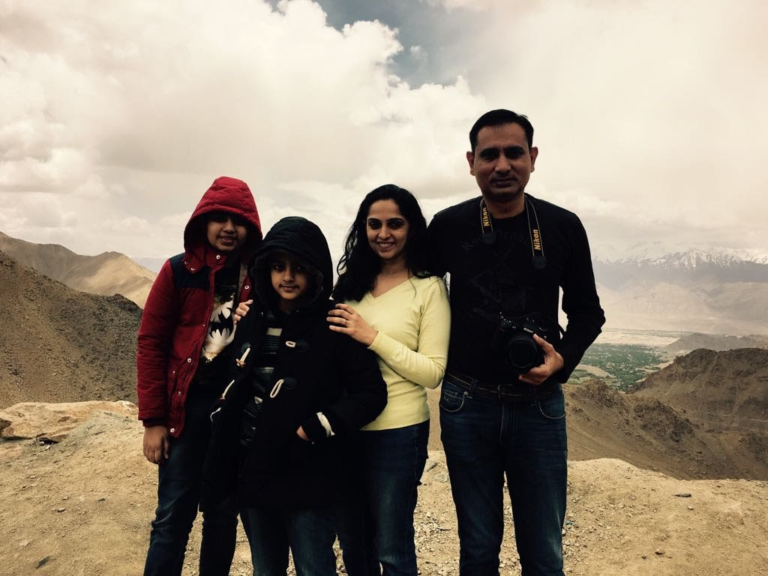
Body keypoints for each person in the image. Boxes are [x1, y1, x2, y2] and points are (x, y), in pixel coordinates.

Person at [428, 110, 606, 576]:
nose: (502, 165)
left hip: (539, 407)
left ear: (533, 157)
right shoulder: (447, 226)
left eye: (514, 153)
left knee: (544, 553)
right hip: (467, 404)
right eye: (490, 155)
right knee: (478, 550)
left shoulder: (563, 226)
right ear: (471, 162)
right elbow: (409, 291)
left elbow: (588, 312)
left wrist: (561, 361)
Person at [201, 216, 387, 576]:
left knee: (314, 567)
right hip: (253, 471)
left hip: (307, 476)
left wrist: (318, 426)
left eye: (299, 267)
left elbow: (370, 394)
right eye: (278, 267)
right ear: (265, 269)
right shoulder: (251, 317)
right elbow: (223, 373)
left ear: (316, 271)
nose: (287, 277)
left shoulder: (334, 323)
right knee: (265, 569)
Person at [137, 176, 262, 576]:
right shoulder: (178, 271)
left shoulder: (261, 277)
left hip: (233, 413)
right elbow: (151, 343)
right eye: (220, 218)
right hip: (186, 409)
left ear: (251, 226)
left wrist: (251, 318)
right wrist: (153, 421)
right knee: (173, 515)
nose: (229, 228)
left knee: (222, 515)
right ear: (203, 221)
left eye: (239, 221)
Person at [328, 184, 451, 576]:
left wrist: (372, 337)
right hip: (345, 428)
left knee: (392, 547)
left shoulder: (429, 288)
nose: (384, 234)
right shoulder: (349, 284)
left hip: (397, 433)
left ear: (412, 227)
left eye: (395, 224)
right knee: (353, 544)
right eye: (374, 224)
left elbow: (432, 372)